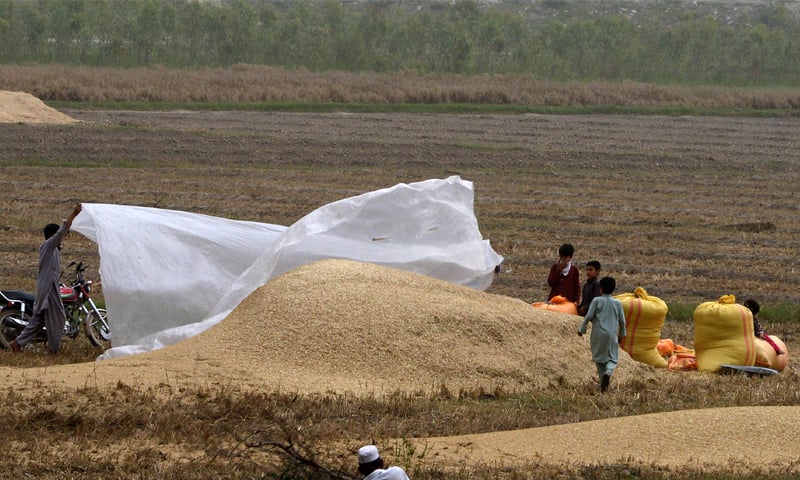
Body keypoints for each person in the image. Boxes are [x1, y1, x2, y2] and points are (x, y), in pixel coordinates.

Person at [10, 203, 82, 354]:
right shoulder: (49, 246)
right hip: (49, 290)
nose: (62, 238)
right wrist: (74, 213)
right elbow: (62, 230)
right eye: (58, 235)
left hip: (48, 287)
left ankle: (17, 343)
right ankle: (53, 349)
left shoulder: (53, 250)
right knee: (59, 318)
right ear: (51, 236)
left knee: (38, 320)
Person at [577, 276, 626, 392]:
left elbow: (589, 316)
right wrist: (622, 334)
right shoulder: (617, 303)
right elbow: (622, 321)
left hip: (598, 334)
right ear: (613, 289)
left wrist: (582, 329)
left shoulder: (596, 301)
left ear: (601, 289)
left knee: (599, 358)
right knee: (612, 357)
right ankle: (608, 372)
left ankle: (602, 383)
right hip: (611, 335)